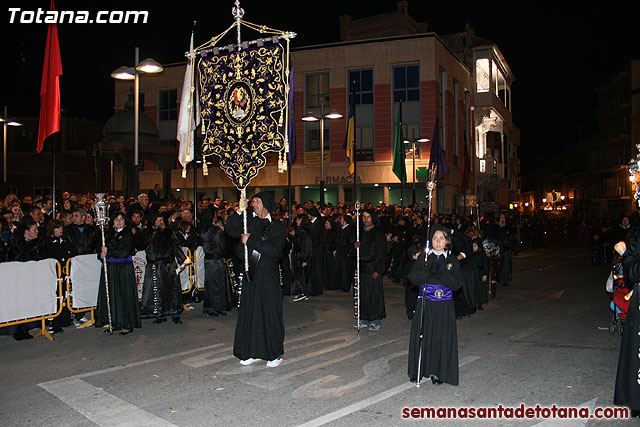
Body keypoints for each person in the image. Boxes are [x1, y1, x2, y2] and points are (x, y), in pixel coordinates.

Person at [225, 192, 286, 368]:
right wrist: (239, 211)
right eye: (253, 201)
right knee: (251, 314)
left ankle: (274, 354)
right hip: (250, 275)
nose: (254, 204)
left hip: (267, 277)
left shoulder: (277, 226)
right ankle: (253, 351)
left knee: (268, 314)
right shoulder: (249, 222)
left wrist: (251, 241)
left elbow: (274, 249)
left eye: (257, 201)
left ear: (266, 203)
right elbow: (231, 230)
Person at [407, 224, 463, 385]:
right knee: (422, 336)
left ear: (447, 241)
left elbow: (457, 284)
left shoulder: (452, 260)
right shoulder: (424, 259)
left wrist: (443, 273)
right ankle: (418, 369)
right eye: (435, 238)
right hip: (426, 304)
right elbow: (413, 277)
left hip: (443, 306)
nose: (438, 241)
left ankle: (437, 372)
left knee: (440, 338)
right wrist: (429, 271)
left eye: (441, 238)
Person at [95, 211, 141, 335]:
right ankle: (114, 321)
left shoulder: (128, 234)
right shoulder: (107, 234)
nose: (119, 221)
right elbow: (100, 249)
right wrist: (101, 254)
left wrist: (108, 251)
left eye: (121, 219)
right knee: (112, 294)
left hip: (123, 268)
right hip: (111, 268)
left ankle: (126, 323)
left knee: (123, 295)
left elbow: (124, 252)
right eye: (116, 219)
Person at [140, 212, 187, 324]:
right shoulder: (148, 233)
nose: (161, 222)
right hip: (155, 265)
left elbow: (175, 245)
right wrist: (156, 231)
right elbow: (148, 244)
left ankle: (175, 313)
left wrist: (182, 260)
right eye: (158, 220)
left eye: (162, 220)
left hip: (169, 265)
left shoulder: (168, 232)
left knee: (172, 289)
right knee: (157, 290)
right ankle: (159, 314)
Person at [354, 210, 386, 331]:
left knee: (374, 295)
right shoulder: (359, 233)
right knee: (363, 295)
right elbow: (353, 253)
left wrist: (378, 270)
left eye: (368, 217)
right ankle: (363, 318)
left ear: (373, 218)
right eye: (363, 217)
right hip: (362, 269)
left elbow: (381, 254)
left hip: (373, 269)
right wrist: (355, 247)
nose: (366, 219)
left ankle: (375, 319)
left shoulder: (378, 234)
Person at [199, 208, 229, 317]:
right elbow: (221, 245)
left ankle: (210, 307)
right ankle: (217, 307)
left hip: (208, 259)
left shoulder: (203, 229)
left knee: (210, 283)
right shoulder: (215, 230)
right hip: (216, 260)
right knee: (218, 283)